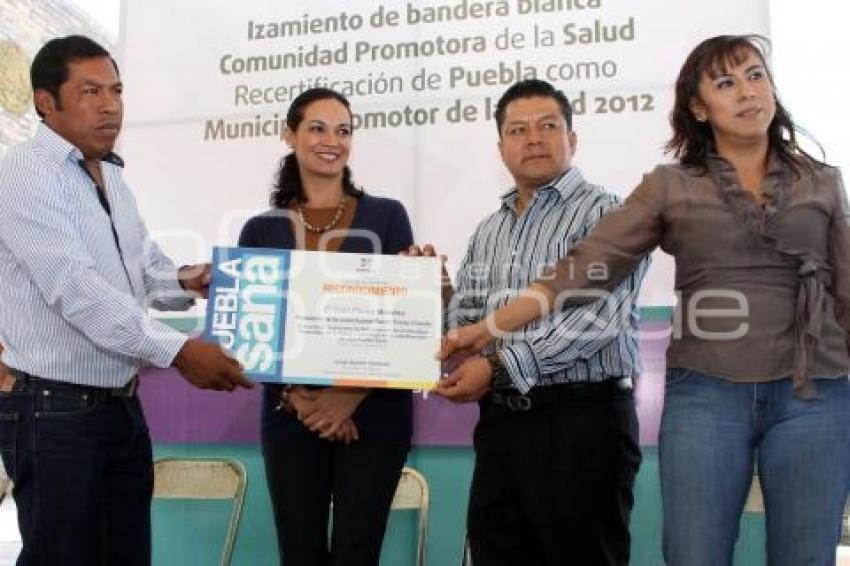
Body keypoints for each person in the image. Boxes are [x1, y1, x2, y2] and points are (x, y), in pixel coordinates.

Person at [439, 35, 850, 566]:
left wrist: (491, 349)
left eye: (755, 76)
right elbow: (576, 276)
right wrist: (478, 326)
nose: (747, 93)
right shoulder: (666, 186)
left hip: (812, 390)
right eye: (726, 83)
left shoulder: (823, 181)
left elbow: (846, 287)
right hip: (706, 393)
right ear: (699, 107)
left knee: (805, 556)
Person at [0, 35, 252, 566]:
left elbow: (141, 272)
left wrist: (188, 281)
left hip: (120, 408)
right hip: (55, 413)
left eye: (116, 90)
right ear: (47, 102)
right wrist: (180, 351)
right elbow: (78, 289)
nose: (111, 105)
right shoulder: (23, 175)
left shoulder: (112, 177)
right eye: (91, 91)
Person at [430, 78, 648, 566]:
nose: (533, 138)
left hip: (583, 424)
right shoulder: (490, 228)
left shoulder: (609, 213)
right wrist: (431, 288)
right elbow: (468, 321)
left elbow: (599, 318)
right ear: (501, 147)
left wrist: (501, 365)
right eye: (518, 130)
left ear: (573, 138)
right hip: (503, 426)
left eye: (548, 126)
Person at [238, 87, 414, 566]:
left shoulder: (389, 216)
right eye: (317, 128)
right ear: (289, 134)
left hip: (374, 412)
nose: (331, 140)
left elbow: (402, 323)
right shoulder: (259, 230)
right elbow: (256, 333)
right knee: (299, 553)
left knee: (358, 552)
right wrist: (299, 399)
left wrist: (347, 396)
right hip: (289, 413)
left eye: (344, 130)